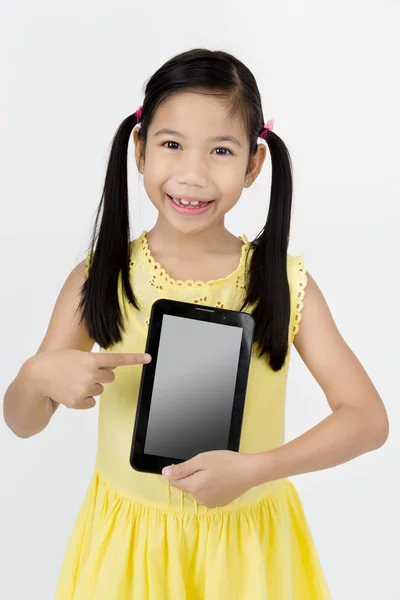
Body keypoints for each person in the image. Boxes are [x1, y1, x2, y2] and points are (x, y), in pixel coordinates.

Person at [3, 48, 389, 600]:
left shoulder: (282, 282)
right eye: (172, 144)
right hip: (128, 555)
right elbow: (21, 422)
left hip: (249, 557)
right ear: (139, 150)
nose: (192, 174)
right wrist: (35, 376)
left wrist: (258, 469)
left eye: (222, 150)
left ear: (254, 165)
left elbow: (368, 418)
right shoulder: (100, 279)